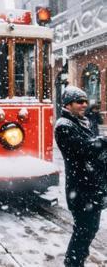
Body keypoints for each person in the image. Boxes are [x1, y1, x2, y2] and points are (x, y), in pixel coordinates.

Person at [54, 86, 107, 267]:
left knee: (89, 229)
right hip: (81, 189)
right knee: (83, 231)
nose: (84, 104)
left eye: (85, 101)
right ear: (68, 105)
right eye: (79, 101)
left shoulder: (83, 122)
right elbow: (84, 149)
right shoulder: (64, 126)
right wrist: (104, 142)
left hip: (92, 188)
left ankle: (77, 261)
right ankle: (73, 263)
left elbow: (95, 151)